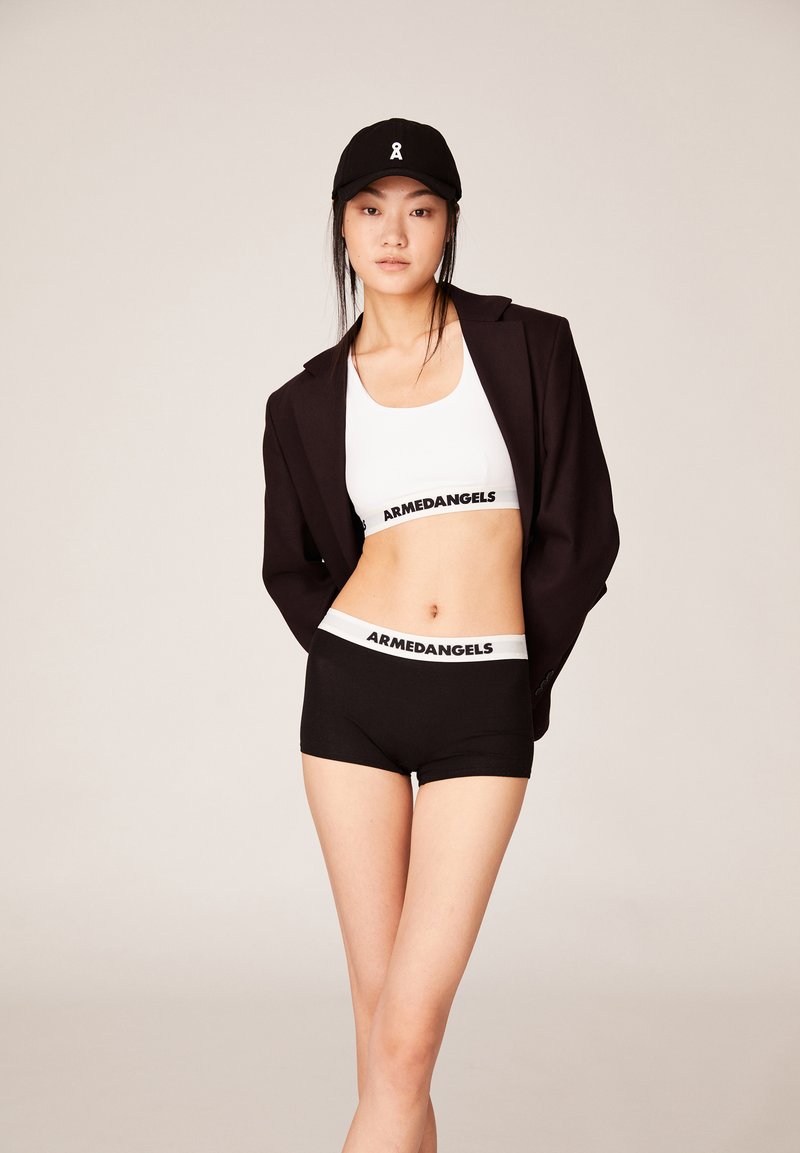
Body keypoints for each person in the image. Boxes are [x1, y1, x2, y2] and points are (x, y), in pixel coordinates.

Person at [261, 116, 620, 1153]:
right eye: (369, 210)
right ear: (340, 226)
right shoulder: (303, 401)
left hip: (481, 699)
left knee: (407, 1037)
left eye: (419, 210)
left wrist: (514, 679)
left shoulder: (529, 346)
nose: (393, 233)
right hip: (352, 707)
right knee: (383, 1035)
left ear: (449, 224)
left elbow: (583, 535)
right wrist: (348, 655)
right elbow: (291, 565)